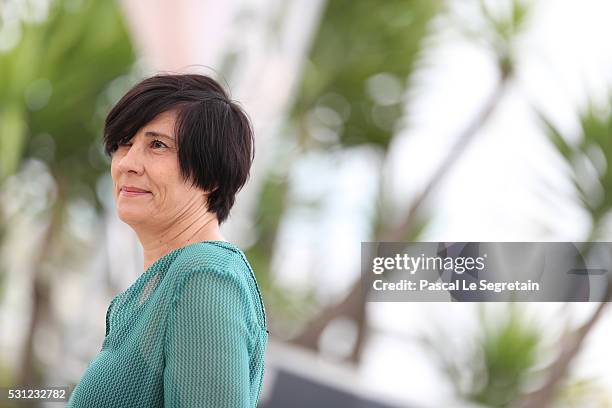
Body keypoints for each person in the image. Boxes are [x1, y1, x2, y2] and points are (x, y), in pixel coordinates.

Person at [67, 73, 268, 407]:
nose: (127, 163)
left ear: (212, 175)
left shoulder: (205, 277)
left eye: (157, 145)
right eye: (124, 143)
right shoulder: (170, 281)